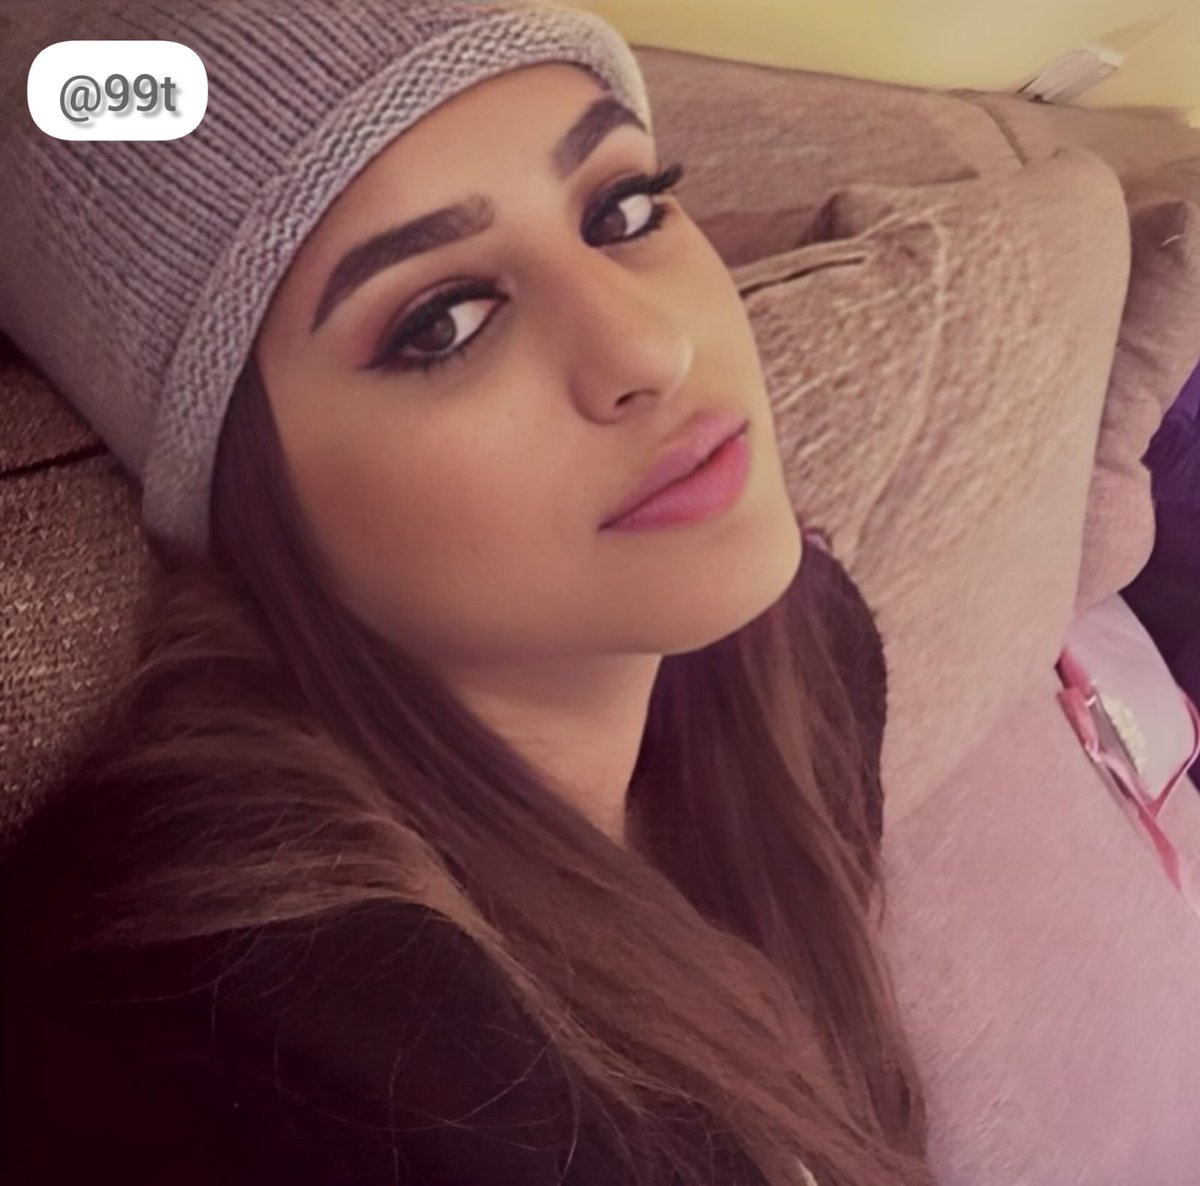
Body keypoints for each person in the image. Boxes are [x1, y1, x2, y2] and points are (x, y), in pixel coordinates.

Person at [0, 3, 935, 1184]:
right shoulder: (247, 1054)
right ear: (247, 508)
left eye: (623, 210)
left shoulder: (809, 656)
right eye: (442, 323)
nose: (651, 349)